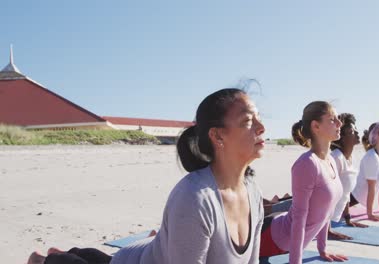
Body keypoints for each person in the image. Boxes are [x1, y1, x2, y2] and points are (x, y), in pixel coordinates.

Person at [27, 88, 266, 264]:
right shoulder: (195, 198)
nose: (261, 127)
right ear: (218, 136)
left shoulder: (253, 194)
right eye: (247, 120)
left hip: (147, 253)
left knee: (92, 257)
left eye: (259, 117)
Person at [259, 101, 347, 263]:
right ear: (316, 126)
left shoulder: (330, 161)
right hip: (271, 237)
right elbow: (299, 218)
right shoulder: (307, 163)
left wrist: (322, 249)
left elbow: (327, 209)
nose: (340, 123)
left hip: (282, 228)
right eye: (332, 119)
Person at [328, 113, 368, 240]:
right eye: (352, 131)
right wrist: (327, 231)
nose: (357, 133)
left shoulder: (350, 158)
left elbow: (346, 193)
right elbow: (325, 195)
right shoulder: (336, 158)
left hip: (330, 218)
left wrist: (347, 219)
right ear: (342, 137)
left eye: (356, 129)